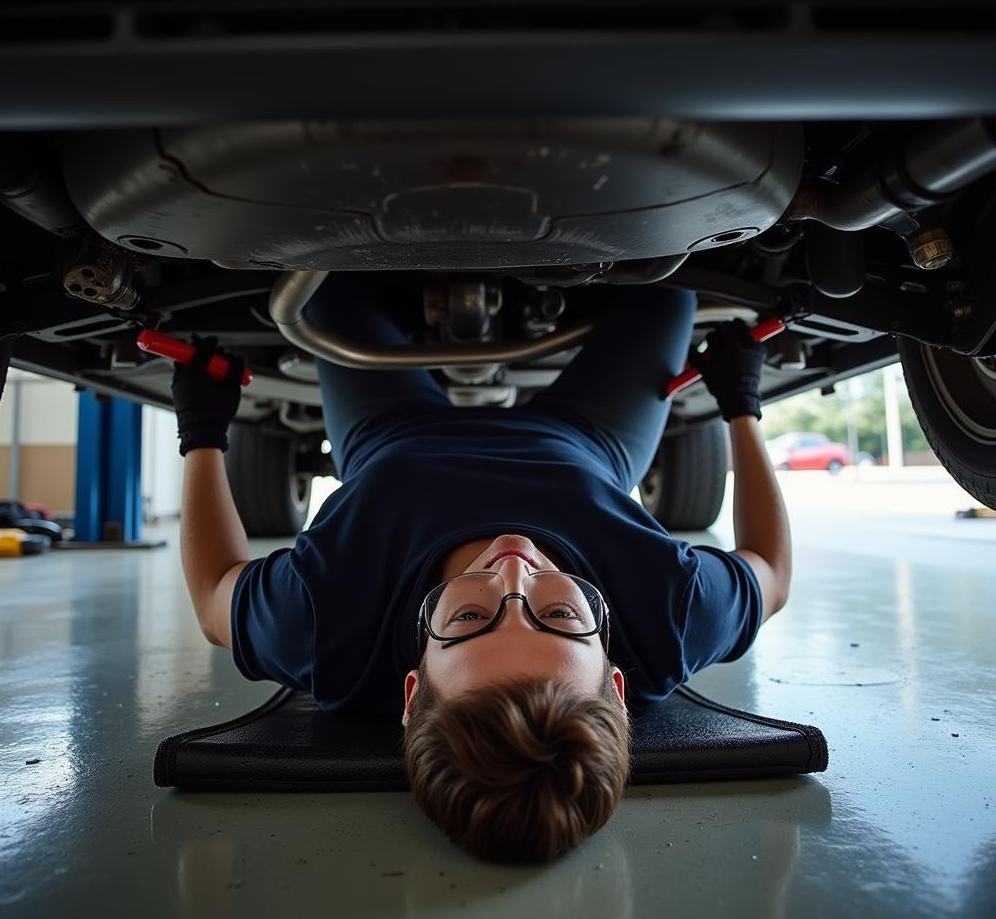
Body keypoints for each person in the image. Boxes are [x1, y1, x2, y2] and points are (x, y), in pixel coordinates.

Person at [172, 273, 791, 863]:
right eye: (561, 613)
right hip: (585, 437)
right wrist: (741, 403)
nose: (514, 566)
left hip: (392, 430)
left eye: (470, 617)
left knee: (324, 274)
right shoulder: (669, 621)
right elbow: (771, 571)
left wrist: (202, 429)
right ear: (618, 683)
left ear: (411, 693)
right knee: (670, 285)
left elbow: (211, 600)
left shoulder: (325, 626)